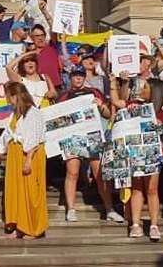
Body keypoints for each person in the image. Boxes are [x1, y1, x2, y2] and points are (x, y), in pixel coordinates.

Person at [58, 65, 123, 223]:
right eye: (75, 75)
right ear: (71, 77)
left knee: (100, 174)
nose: (78, 78)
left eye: (81, 75)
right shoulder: (64, 96)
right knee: (72, 173)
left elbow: (108, 114)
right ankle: (71, 209)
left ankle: (109, 209)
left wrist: (101, 105)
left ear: (84, 77)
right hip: (72, 138)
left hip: (93, 136)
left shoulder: (94, 92)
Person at [111, 78, 163, 240]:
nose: (141, 89)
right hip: (135, 152)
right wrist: (131, 109)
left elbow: (158, 124)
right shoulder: (135, 102)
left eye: (145, 86)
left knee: (152, 189)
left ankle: (153, 225)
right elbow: (118, 103)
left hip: (153, 153)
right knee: (137, 188)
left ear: (154, 90)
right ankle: (136, 224)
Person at [0, 81, 47, 239]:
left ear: (16, 96)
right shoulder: (15, 114)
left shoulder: (33, 112)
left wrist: (29, 159)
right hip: (15, 155)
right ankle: (20, 225)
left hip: (30, 154)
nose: (8, 100)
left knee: (31, 191)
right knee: (17, 191)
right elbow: (7, 134)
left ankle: (34, 228)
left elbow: (34, 138)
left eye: (9, 97)